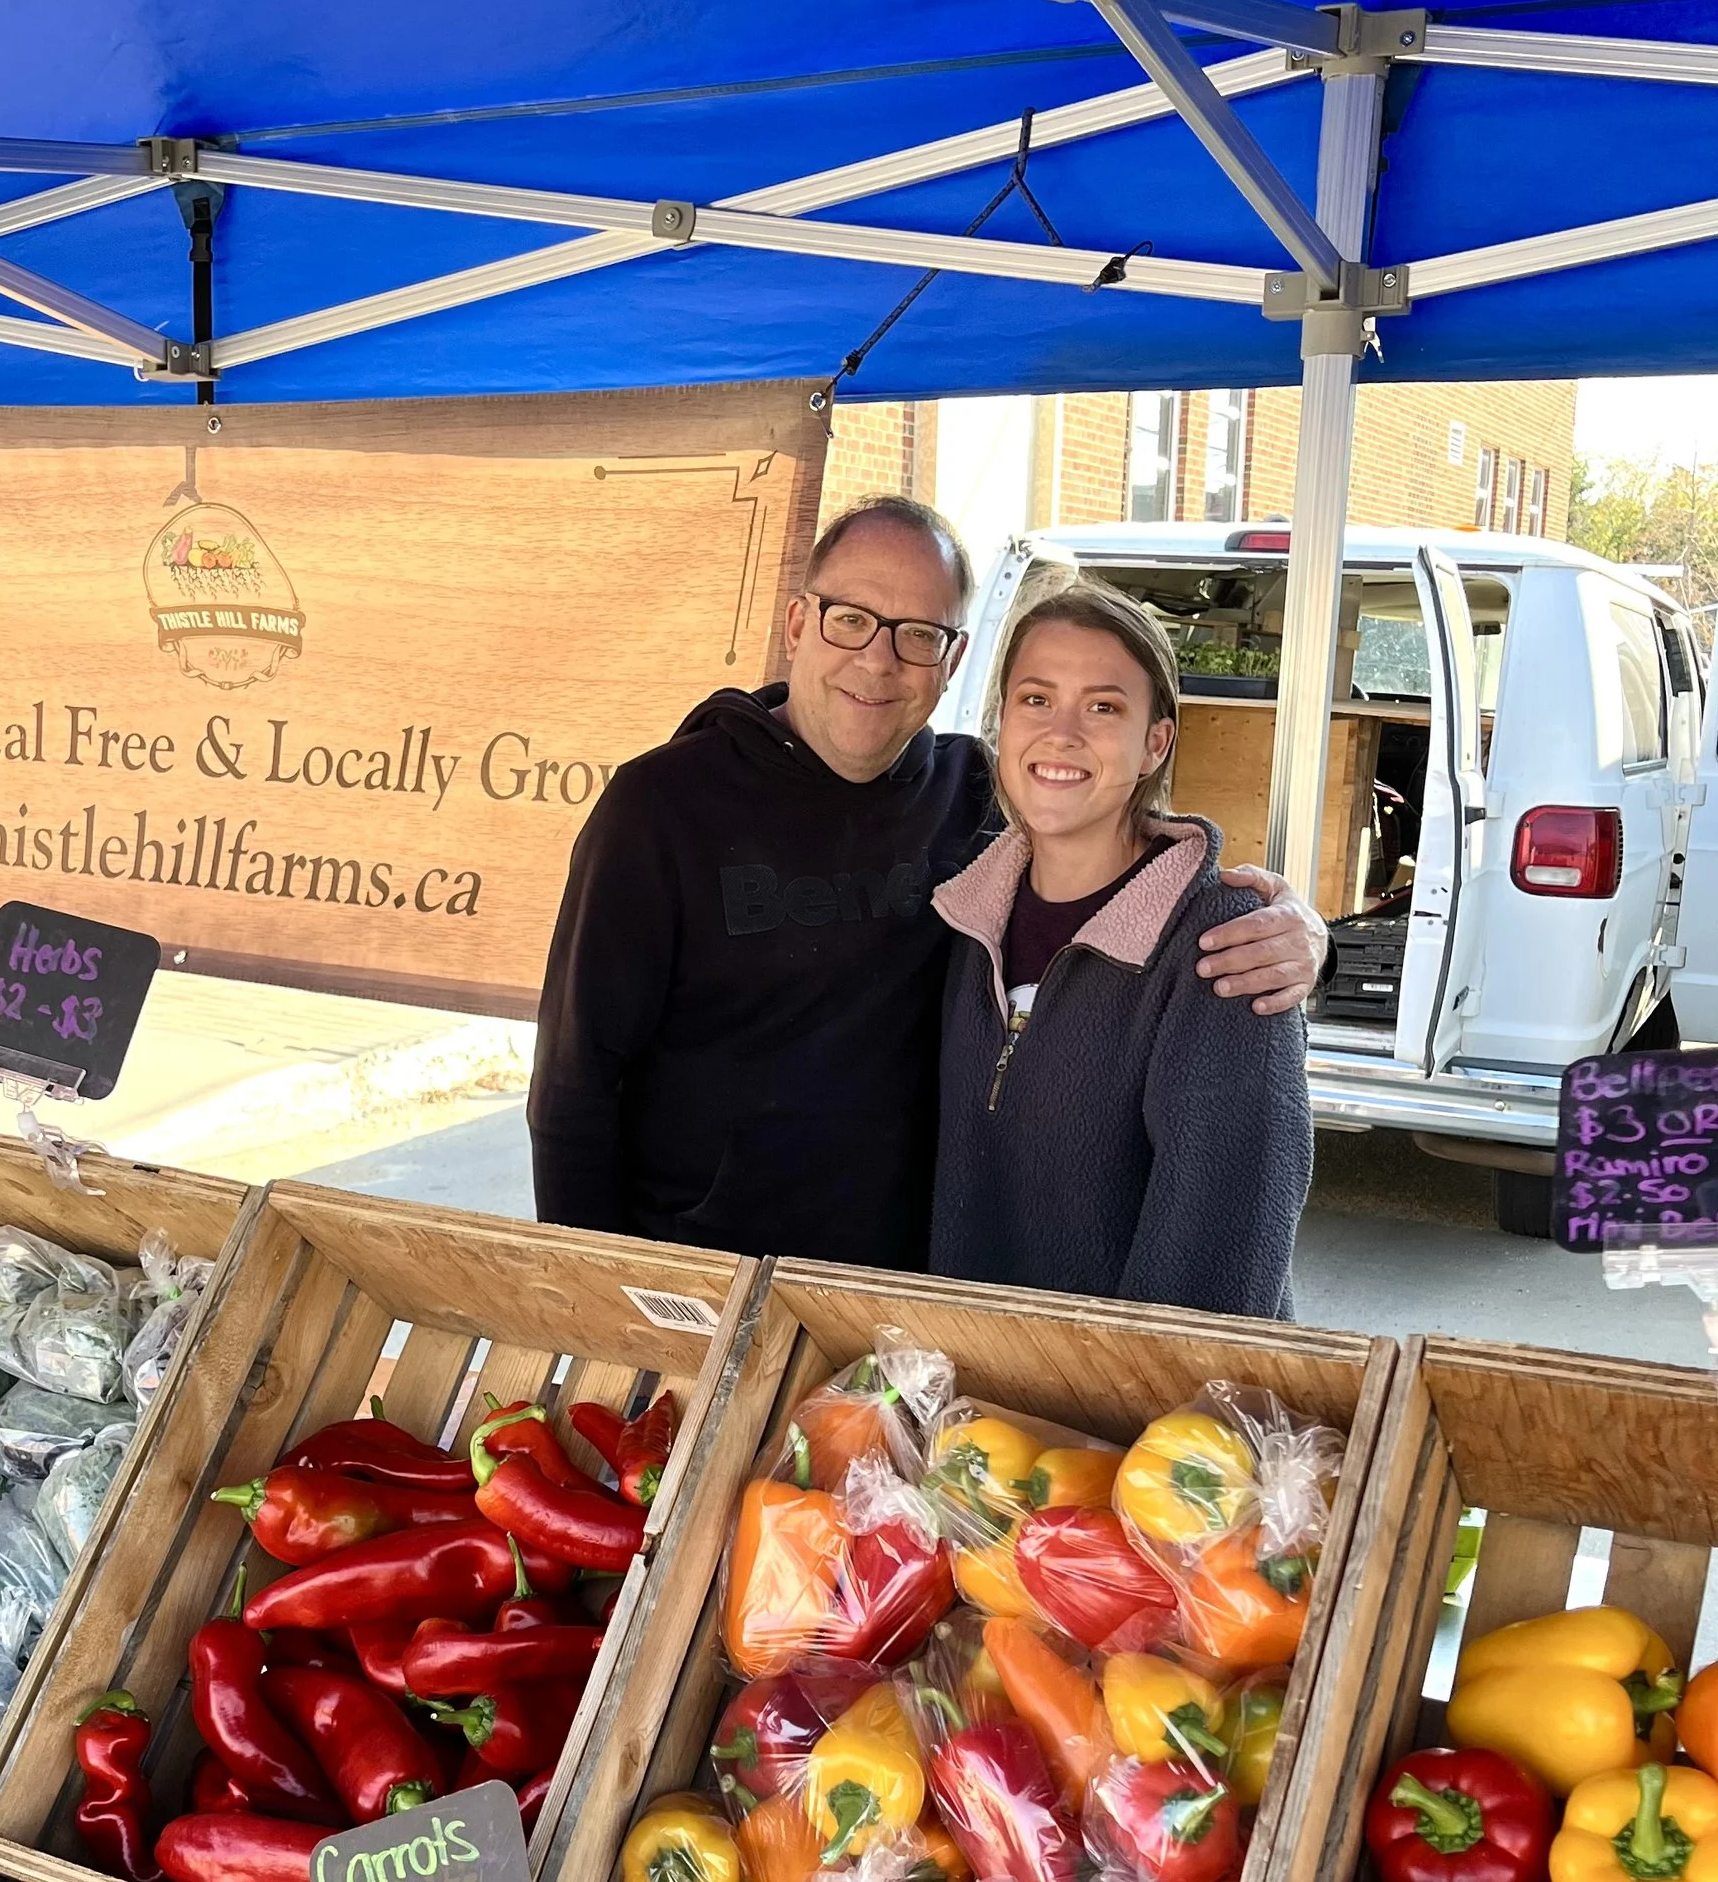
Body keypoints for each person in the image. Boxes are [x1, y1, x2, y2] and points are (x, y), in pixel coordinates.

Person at [528, 494, 1324, 1267]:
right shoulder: (660, 807)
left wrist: (1297, 930)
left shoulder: (972, 799)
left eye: (917, 634)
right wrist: (595, 1294)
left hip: (904, 1310)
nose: (877, 659)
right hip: (702, 1280)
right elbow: (573, 1089)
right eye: (850, 619)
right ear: (799, 622)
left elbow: (1104, 828)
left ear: (953, 660)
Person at [930, 580, 1311, 1313]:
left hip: (1134, 1415)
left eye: (1104, 706)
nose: (1062, 733)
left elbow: (1224, 1262)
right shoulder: (962, 923)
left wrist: (1139, 1422)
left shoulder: (1226, 947)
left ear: (1154, 743)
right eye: (1036, 699)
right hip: (968, 1396)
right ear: (1001, 721)